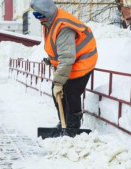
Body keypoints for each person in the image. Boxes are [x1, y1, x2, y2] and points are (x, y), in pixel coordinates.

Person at [31, 0, 98, 129]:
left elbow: (67, 57)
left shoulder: (63, 27)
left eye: (40, 16)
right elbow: (60, 49)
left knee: (70, 91)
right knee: (57, 92)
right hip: (70, 60)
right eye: (36, 16)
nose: (39, 19)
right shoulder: (49, 21)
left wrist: (58, 83)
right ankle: (63, 122)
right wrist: (52, 60)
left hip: (82, 61)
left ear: (48, 13)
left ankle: (73, 125)